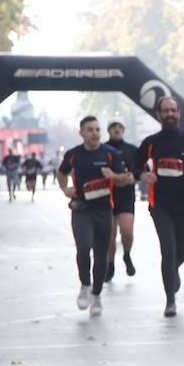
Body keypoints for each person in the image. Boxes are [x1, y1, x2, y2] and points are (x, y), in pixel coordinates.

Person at [134, 96, 184, 318]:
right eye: (165, 111)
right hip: (159, 205)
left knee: (180, 252)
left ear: (179, 113)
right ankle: (170, 300)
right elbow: (134, 164)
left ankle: (174, 271)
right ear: (159, 114)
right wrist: (142, 174)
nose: (169, 114)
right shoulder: (151, 142)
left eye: (173, 111)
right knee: (167, 251)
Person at [56, 116, 133, 317]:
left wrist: (113, 177)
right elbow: (61, 173)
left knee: (101, 254)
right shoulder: (74, 155)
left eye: (98, 129)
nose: (95, 133)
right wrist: (65, 188)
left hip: (104, 210)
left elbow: (125, 179)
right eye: (90, 130)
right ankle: (85, 285)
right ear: (81, 133)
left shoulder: (110, 154)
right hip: (81, 209)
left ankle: (97, 294)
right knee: (83, 248)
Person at [104, 121, 139, 280]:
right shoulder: (103, 149)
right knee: (110, 234)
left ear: (123, 130)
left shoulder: (131, 150)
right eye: (113, 127)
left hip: (126, 195)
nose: (116, 130)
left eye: (119, 127)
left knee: (127, 230)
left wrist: (133, 177)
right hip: (107, 195)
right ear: (109, 131)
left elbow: (137, 171)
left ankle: (127, 254)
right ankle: (110, 264)